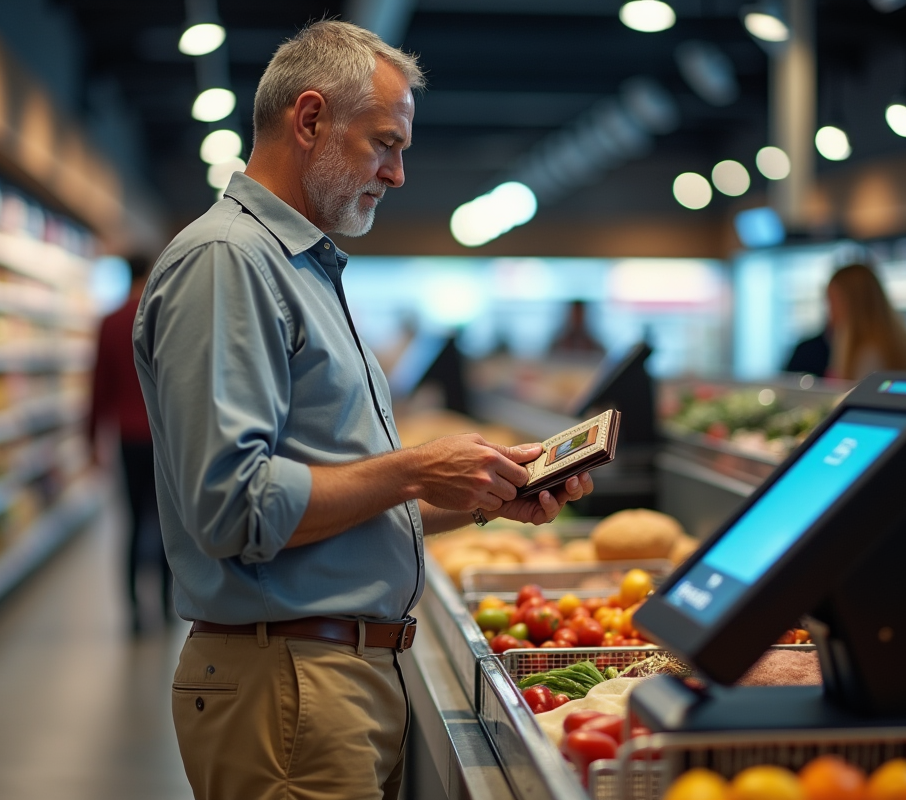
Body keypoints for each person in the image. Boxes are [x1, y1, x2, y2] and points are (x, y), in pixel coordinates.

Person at [132, 21, 595, 800]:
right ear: (309, 120)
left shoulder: (299, 268)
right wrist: (416, 466)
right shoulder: (229, 263)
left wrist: (481, 498)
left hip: (325, 681)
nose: (399, 173)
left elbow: (332, 513)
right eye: (386, 143)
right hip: (289, 687)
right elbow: (234, 508)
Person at [88, 254, 170, 633]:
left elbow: (99, 385)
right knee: (169, 520)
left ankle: (135, 610)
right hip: (165, 436)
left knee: (133, 521)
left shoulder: (110, 320)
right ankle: (169, 605)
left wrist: (90, 439)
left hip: (127, 436)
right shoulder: (165, 312)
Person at [824, 262, 906, 381]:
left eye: (833, 301)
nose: (830, 311)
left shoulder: (868, 353)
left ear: (852, 303)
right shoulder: (900, 342)